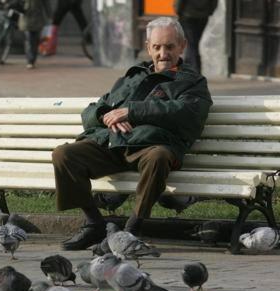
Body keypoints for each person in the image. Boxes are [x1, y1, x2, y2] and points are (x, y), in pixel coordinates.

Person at [51, 17, 213, 250]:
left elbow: (188, 114)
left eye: (169, 46)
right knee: (64, 155)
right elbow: (93, 110)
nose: (163, 53)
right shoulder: (133, 76)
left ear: (182, 46)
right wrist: (105, 116)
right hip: (113, 144)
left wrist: (131, 112)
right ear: (148, 47)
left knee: (159, 157)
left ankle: (132, 229)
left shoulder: (192, 82)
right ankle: (94, 224)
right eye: (157, 47)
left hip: (151, 147)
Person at [174, 0, 218, 73]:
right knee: (193, 43)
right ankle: (188, 67)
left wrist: (178, 10)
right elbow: (214, 2)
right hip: (203, 16)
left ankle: (194, 68)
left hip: (187, 14)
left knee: (192, 43)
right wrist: (210, 11)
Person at [19, 0, 51, 69]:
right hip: (26, 17)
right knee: (29, 39)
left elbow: (46, 4)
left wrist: (50, 16)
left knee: (35, 40)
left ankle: (32, 59)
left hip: (37, 18)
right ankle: (30, 61)